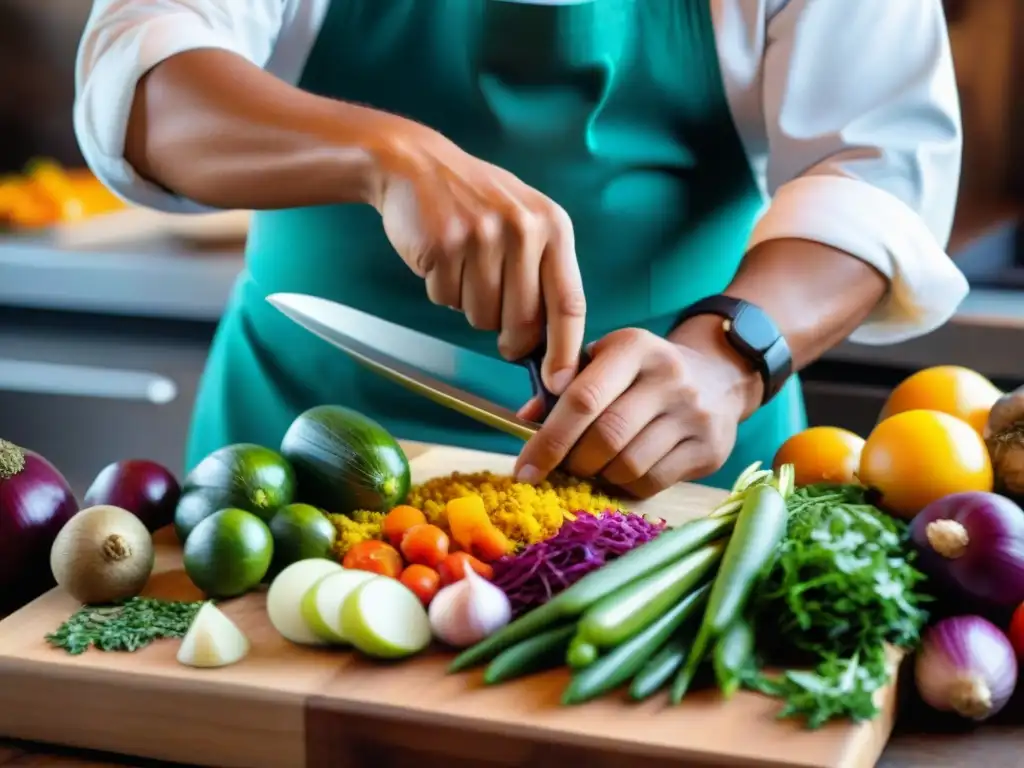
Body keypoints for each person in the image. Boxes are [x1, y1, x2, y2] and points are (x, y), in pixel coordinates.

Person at [74, 0, 968, 496]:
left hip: (675, 471)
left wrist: (728, 361)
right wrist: (388, 156)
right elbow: (139, 73)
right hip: (294, 462)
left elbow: (879, 169)